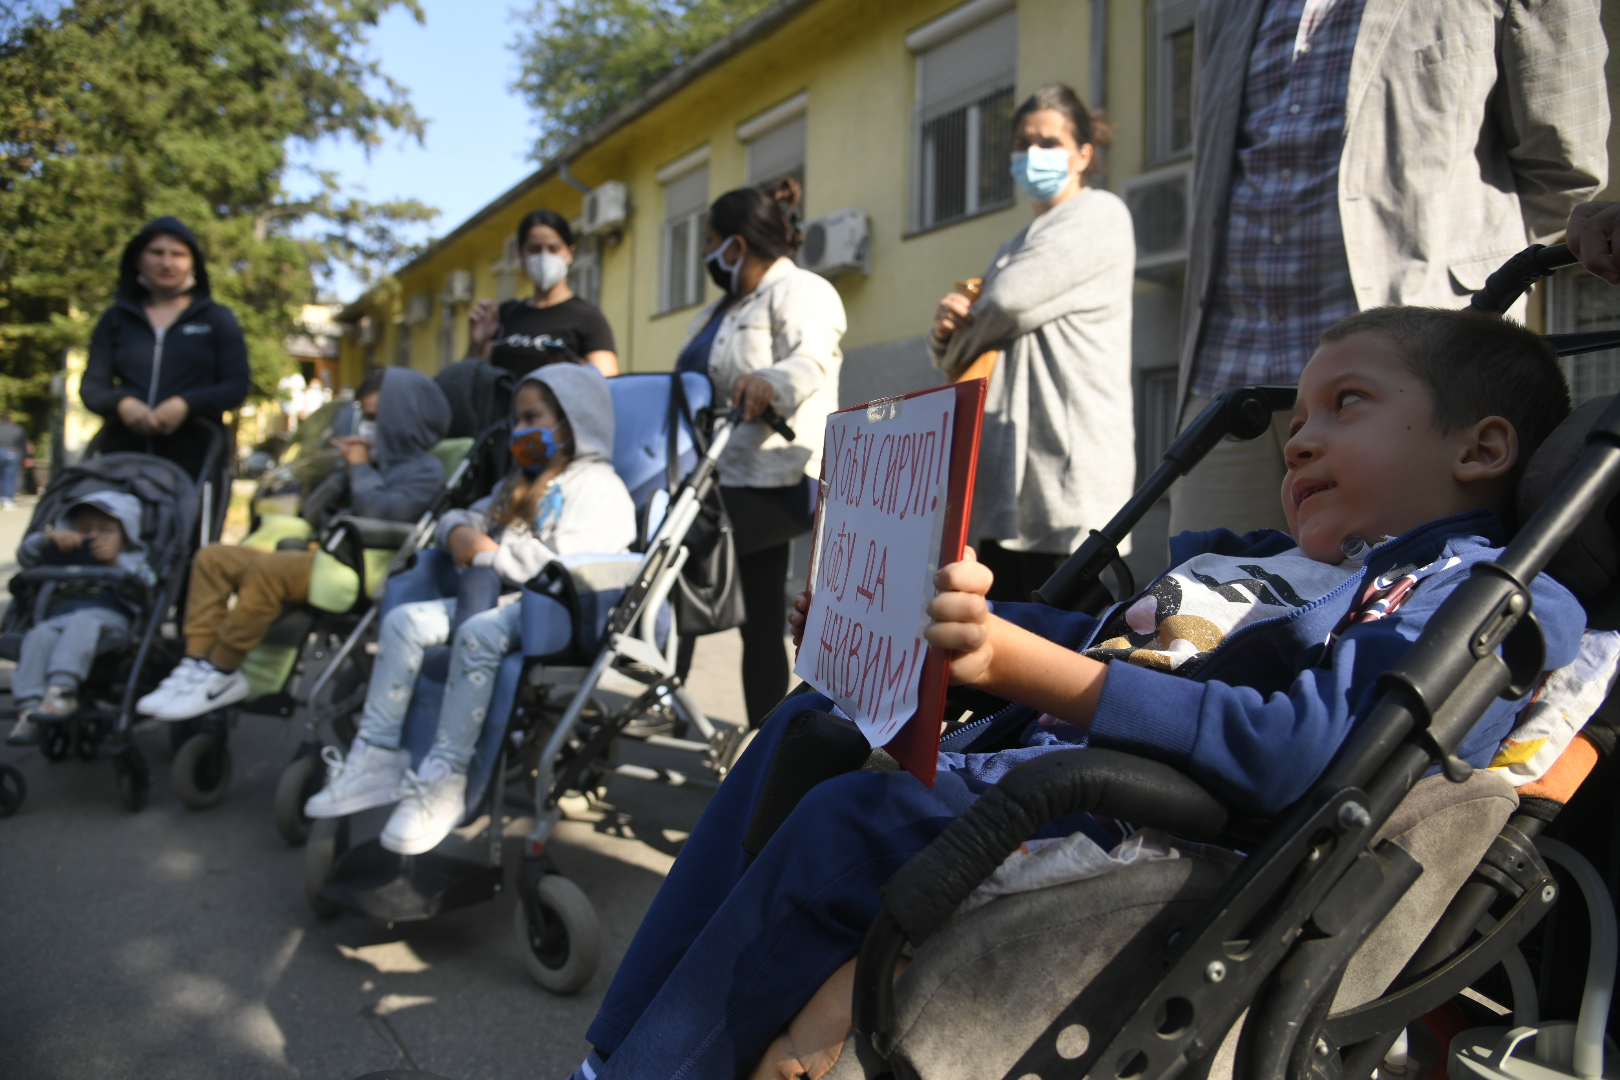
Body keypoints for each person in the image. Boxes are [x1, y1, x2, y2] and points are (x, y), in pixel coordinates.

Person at [561, 306, 1585, 1080]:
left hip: (1139, 826)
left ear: (1481, 448)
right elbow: (1098, 635)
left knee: (849, 820)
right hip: (1039, 768)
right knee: (808, 725)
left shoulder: (1463, 593)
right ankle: (624, 1049)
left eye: (1346, 405)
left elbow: (1298, 752)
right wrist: (935, 620)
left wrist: (1032, 671)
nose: (1299, 440)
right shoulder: (1264, 563)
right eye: (1300, 416)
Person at [1166, 0, 1608, 540]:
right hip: (1229, 377)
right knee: (1190, 603)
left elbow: (1562, 170)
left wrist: (1461, 306)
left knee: (1420, 603)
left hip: (1414, 383)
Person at [303, 364, 636, 855]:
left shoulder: (600, 488)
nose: (520, 431)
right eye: (517, 420)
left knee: (478, 633)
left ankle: (445, 776)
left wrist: (486, 553)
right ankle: (376, 754)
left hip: (557, 612)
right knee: (403, 621)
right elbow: (463, 517)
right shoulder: (521, 482)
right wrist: (458, 531)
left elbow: (569, 565)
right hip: (501, 599)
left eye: (532, 418)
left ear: (573, 419)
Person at [135, 368, 451, 721]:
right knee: (213, 558)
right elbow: (313, 512)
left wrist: (361, 469)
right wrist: (340, 473)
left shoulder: (424, 469)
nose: (366, 428)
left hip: (359, 567)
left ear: (405, 419)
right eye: (365, 418)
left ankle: (223, 667)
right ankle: (196, 662)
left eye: (376, 419)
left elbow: (386, 513)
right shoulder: (367, 461)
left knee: (268, 569)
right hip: (324, 554)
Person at [929, 83, 1134, 602]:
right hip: (1012, 475)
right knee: (1004, 639)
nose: (1032, 155)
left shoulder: (1099, 214)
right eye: (1022, 143)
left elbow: (1008, 304)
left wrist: (967, 328)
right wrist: (945, 334)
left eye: (1048, 141)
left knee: (1068, 642)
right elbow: (973, 342)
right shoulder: (1016, 243)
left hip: (1065, 467)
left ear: (1084, 154)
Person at [677, 178, 845, 725]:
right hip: (727, 475)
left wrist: (770, 381)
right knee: (761, 613)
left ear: (736, 245)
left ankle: (660, 691)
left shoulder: (801, 291)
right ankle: (769, 737)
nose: (705, 254)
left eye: (709, 241)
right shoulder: (723, 309)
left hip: (781, 478)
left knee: (678, 558)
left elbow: (811, 359)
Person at [79, 216, 251, 488]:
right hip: (122, 459)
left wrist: (186, 404)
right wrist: (122, 405)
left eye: (178, 254)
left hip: (195, 462)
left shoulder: (217, 320)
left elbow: (236, 386)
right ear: (138, 259)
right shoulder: (115, 320)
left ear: (193, 262)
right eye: (156, 252)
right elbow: (91, 387)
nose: (167, 263)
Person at [6, 493, 156, 746]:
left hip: (107, 622)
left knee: (82, 622)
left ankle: (62, 691)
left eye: (105, 531)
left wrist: (116, 561)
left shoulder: (131, 560)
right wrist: (47, 539)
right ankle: (29, 707)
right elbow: (26, 556)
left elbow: (148, 582)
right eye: (85, 530)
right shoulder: (66, 553)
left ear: (126, 537)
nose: (94, 536)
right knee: (38, 635)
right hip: (59, 618)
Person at [468, 209, 618, 379]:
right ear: (519, 253)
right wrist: (476, 344)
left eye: (553, 249)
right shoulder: (505, 314)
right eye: (534, 249)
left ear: (570, 253)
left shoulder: (588, 318)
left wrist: (575, 376)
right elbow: (471, 382)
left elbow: (607, 387)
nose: (544, 257)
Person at [0, 411, 33, 508]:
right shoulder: (17, 429)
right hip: (13, 452)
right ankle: (8, 499)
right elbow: (25, 444)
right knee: (10, 477)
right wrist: (28, 457)